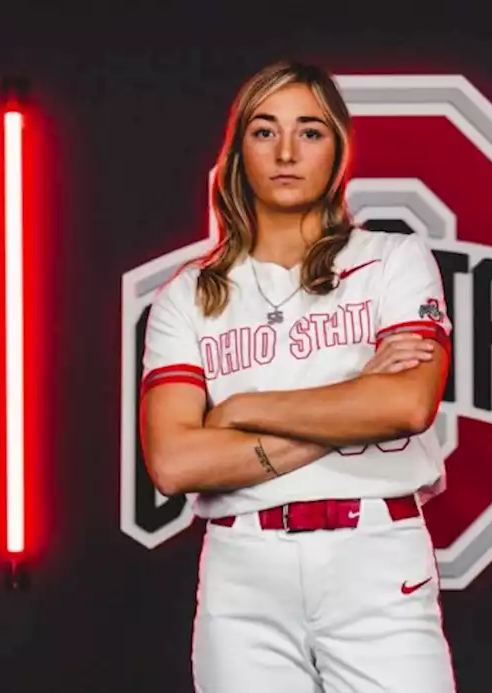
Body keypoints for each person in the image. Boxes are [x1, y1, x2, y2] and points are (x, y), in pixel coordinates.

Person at [138, 59, 457, 692]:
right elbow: (174, 461)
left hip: (375, 553)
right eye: (264, 131)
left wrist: (237, 410)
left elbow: (407, 405)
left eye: (310, 131)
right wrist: (351, 405)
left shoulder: (392, 258)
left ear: (338, 149)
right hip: (244, 566)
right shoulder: (187, 296)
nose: (287, 150)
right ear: (238, 151)